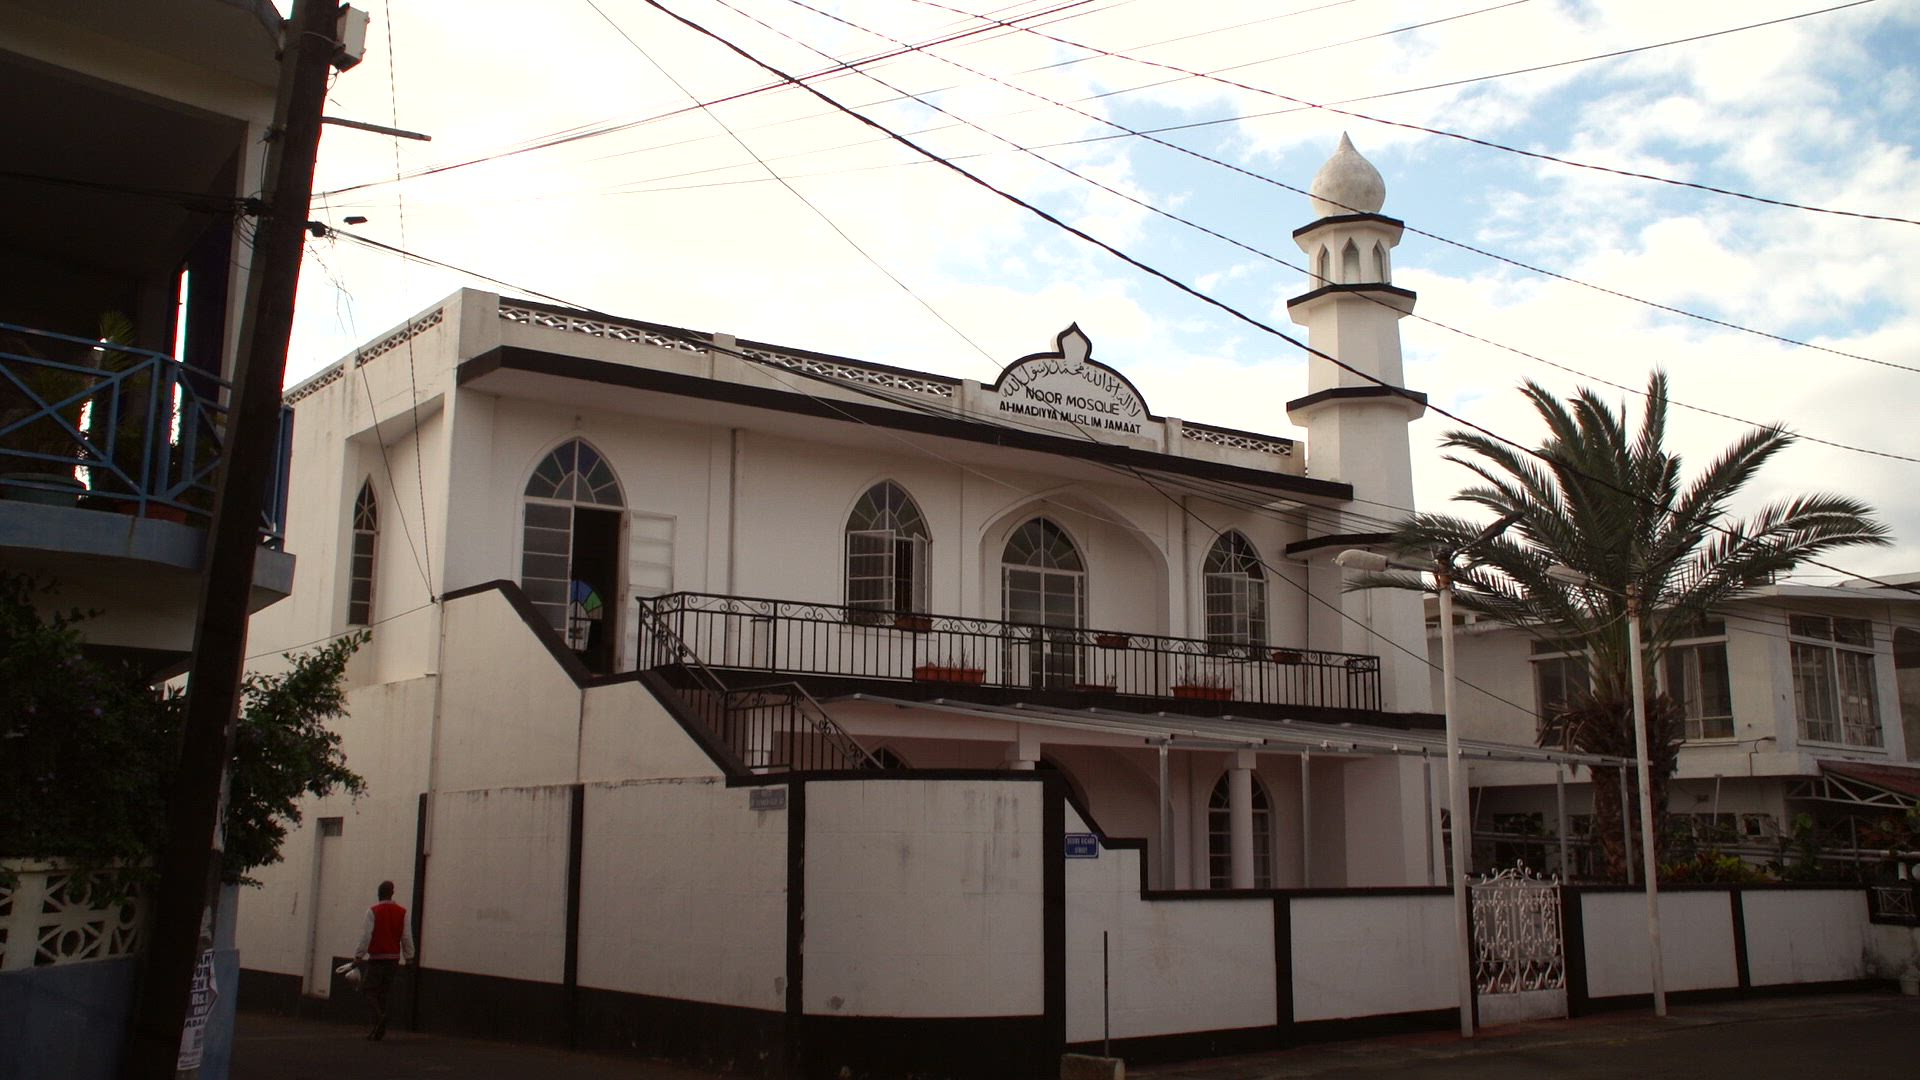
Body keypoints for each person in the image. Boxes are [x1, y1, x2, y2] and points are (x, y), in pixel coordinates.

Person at [353, 880, 414, 1041]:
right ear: (392, 893)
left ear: (379, 893)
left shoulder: (373, 911)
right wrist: (409, 957)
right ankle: (378, 1028)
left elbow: (366, 936)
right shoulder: (402, 912)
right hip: (393, 958)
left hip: (377, 957)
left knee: (368, 990)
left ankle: (379, 1019)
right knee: (384, 993)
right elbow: (406, 937)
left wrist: (359, 956)